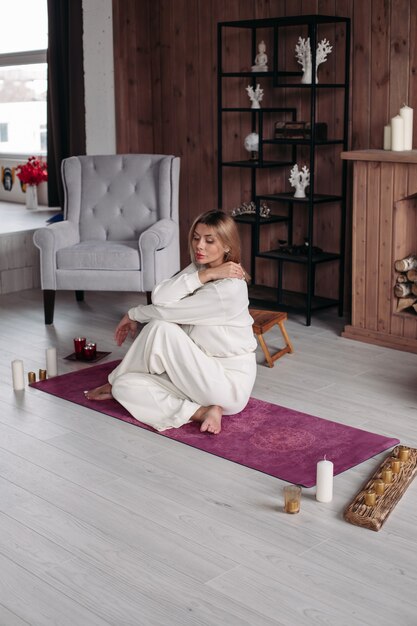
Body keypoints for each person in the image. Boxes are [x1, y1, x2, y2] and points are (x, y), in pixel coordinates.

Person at [85, 210, 257, 434]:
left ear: (227, 245)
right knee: (125, 387)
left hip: (226, 383)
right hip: (195, 372)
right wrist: (204, 275)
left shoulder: (229, 289)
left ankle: (112, 381)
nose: (200, 246)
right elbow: (160, 297)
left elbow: (168, 313)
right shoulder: (200, 269)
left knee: (161, 328)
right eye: (196, 238)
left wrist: (134, 313)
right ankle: (201, 412)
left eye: (209, 240)